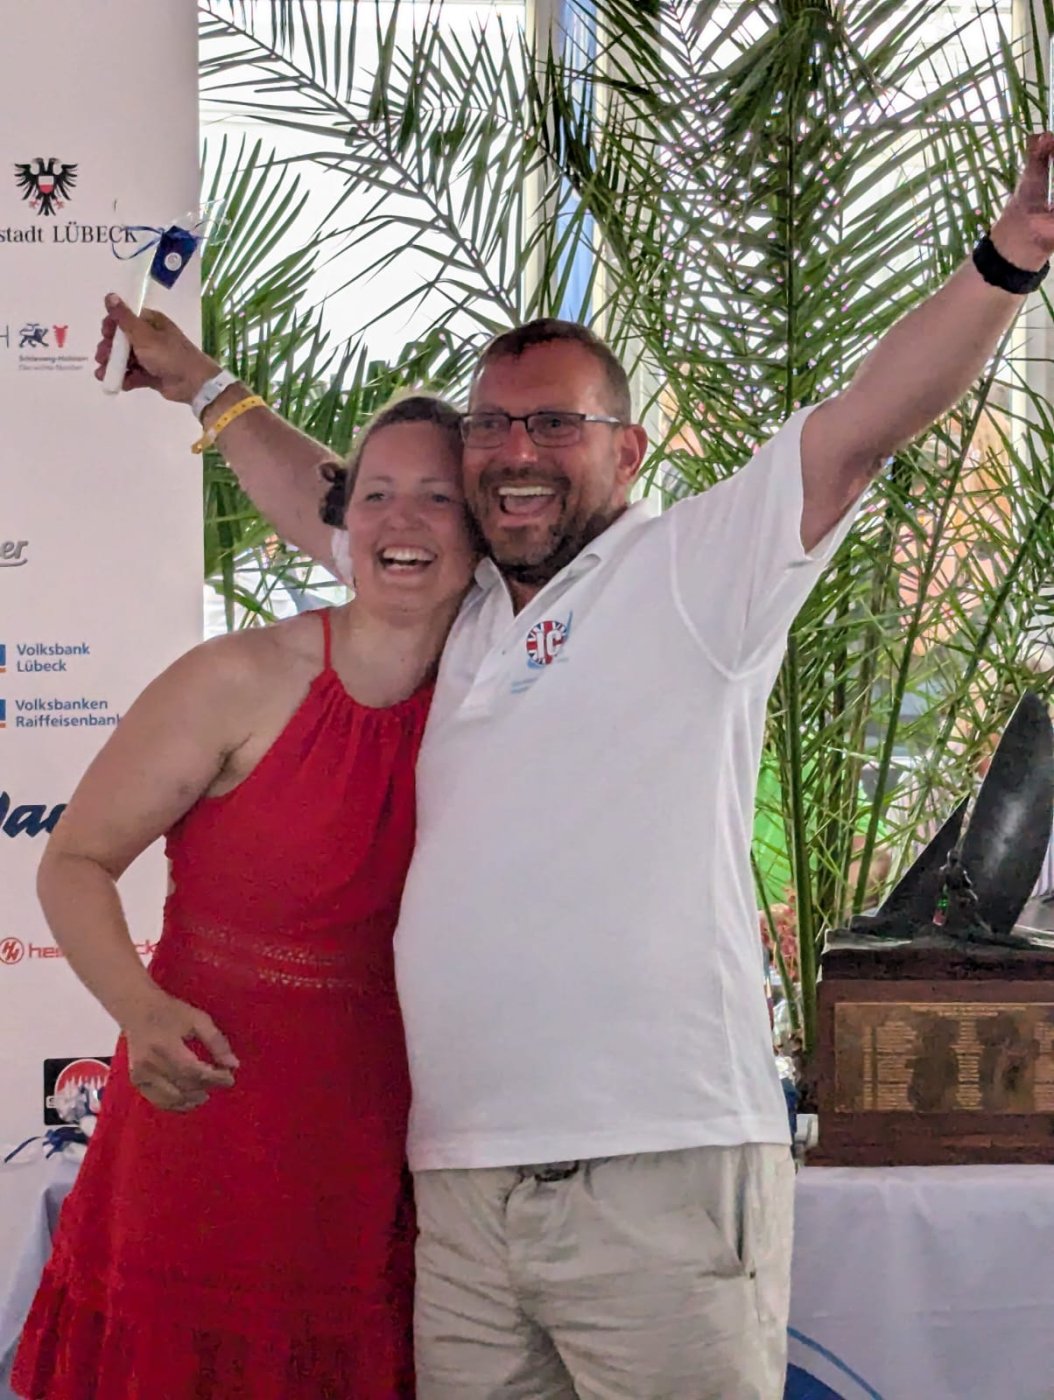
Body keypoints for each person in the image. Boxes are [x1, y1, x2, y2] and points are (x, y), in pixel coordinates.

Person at [90, 136, 1054, 1399]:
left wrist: (1010, 257)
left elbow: (863, 424)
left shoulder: (694, 570)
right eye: (491, 424)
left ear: (630, 449)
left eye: (556, 421)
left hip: (658, 1169)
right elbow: (342, 499)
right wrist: (204, 387)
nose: (516, 448)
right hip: (461, 1185)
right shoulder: (453, 600)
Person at [11, 396, 477, 1399]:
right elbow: (74, 861)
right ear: (342, 521)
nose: (403, 520)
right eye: (378, 494)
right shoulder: (235, 675)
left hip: (390, 1148)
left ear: (479, 529)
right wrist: (140, 1010)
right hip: (207, 1126)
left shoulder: (500, 696)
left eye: (438, 498)